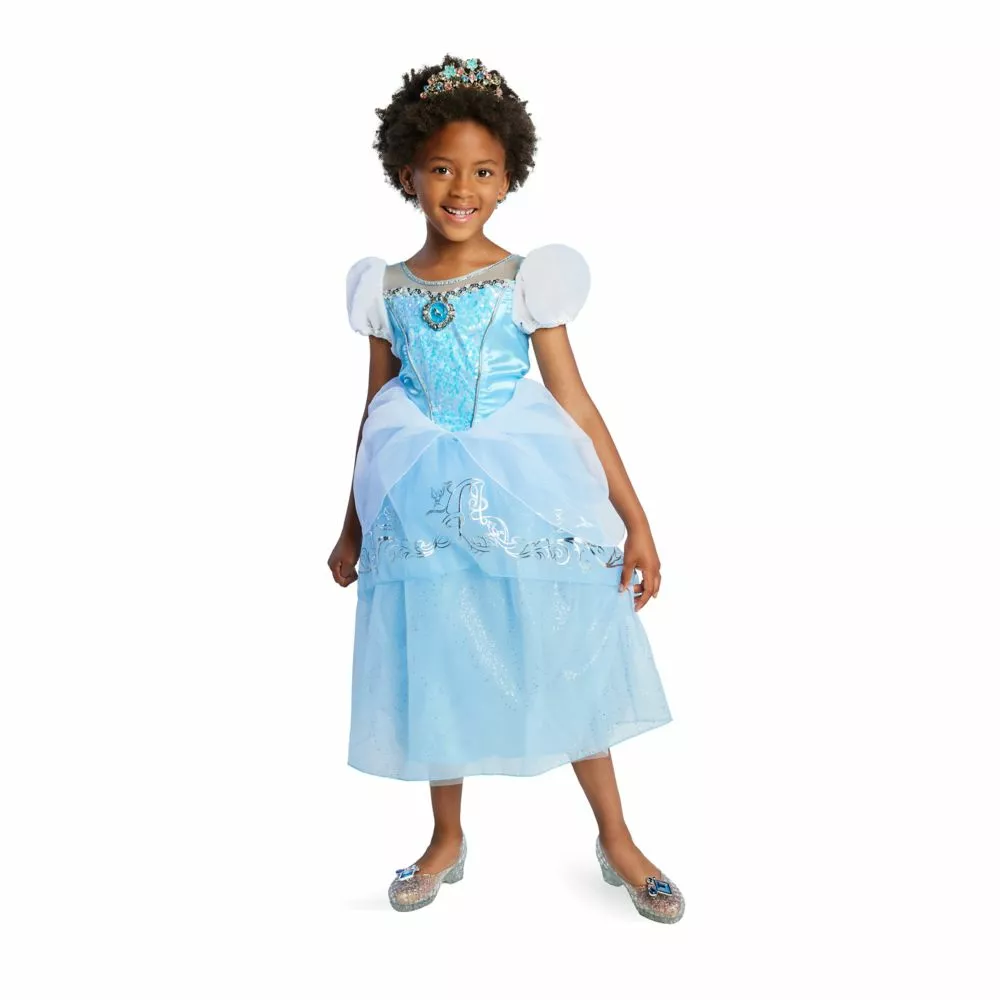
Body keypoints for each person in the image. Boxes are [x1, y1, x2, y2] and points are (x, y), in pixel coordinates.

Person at [328, 55, 684, 923]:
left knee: (565, 647)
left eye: (483, 172)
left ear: (509, 177)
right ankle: (446, 837)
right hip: (419, 504)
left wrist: (635, 520)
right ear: (407, 172)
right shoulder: (386, 289)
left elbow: (578, 404)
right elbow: (374, 416)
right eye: (442, 169)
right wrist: (350, 526)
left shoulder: (526, 280)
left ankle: (618, 838)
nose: (462, 189)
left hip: (524, 494)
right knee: (437, 658)